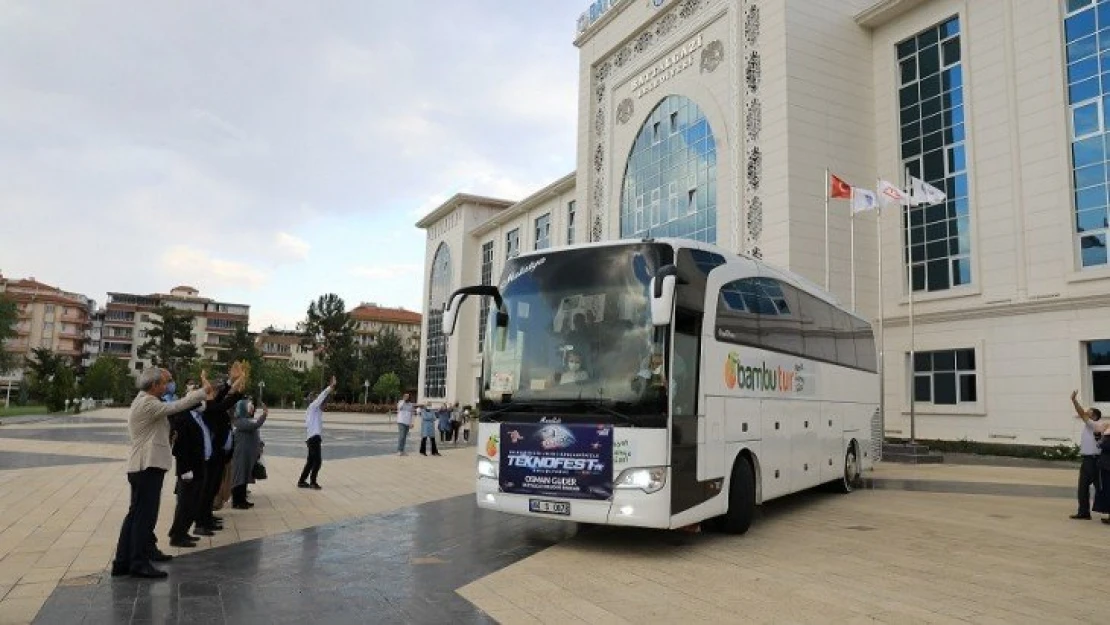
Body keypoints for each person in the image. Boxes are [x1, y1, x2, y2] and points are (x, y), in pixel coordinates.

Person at [111, 368, 208, 579]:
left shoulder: (143, 400)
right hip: (147, 466)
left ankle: (123, 561)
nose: (167, 387)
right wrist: (201, 392)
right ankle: (138, 563)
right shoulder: (148, 402)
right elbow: (175, 406)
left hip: (142, 466)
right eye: (164, 383)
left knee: (135, 516)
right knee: (143, 517)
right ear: (154, 385)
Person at [1070, 390, 1107, 520]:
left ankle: (1089, 511)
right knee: (1083, 488)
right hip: (1087, 460)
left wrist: (1074, 400)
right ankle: (1084, 512)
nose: (1086, 412)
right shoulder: (1089, 426)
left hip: (1094, 461)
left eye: (1089, 412)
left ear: (1094, 416)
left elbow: (1081, 413)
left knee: (1101, 488)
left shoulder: (1094, 425)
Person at [298, 376, 336, 490]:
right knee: (317, 461)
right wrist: (331, 387)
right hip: (313, 439)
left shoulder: (315, 411)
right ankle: (313, 482)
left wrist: (330, 392)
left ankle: (301, 481)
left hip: (312, 438)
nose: (325, 406)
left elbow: (323, 399)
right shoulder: (313, 407)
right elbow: (321, 397)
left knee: (310, 462)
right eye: (324, 404)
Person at [230, 398, 268, 509]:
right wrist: (264, 415)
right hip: (241, 454)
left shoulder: (245, 420)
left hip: (247, 455)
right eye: (249, 407)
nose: (252, 409)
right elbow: (255, 426)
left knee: (245, 476)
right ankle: (237, 502)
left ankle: (242, 500)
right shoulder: (239, 421)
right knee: (240, 477)